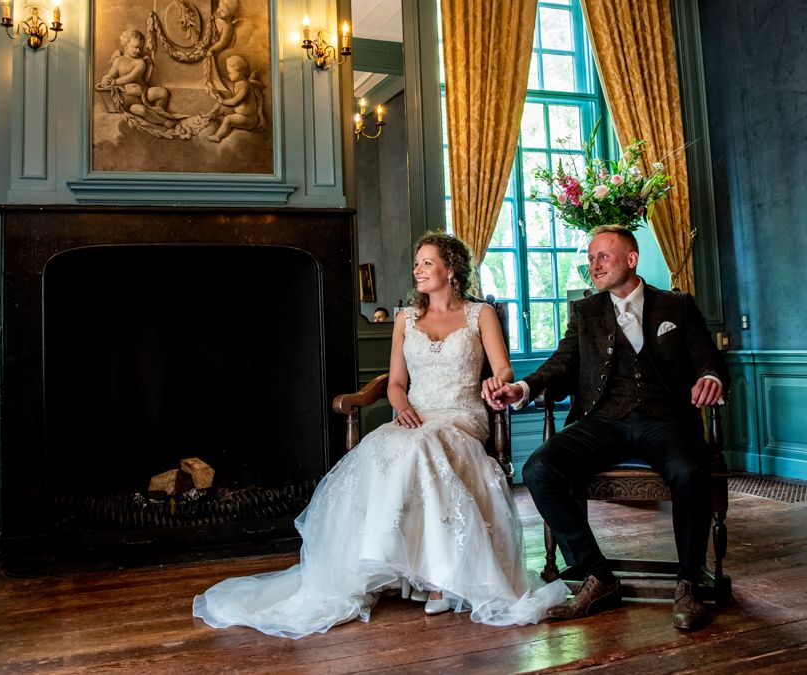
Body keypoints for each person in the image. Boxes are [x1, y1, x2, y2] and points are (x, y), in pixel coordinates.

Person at [194, 233, 567, 639]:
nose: (417, 270)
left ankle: (440, 580)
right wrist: (402, 408)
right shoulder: (406, 318)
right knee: (384, 445)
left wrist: (497, 383)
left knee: (423, 446)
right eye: (417, 263)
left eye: (427, 263)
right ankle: (387, 564)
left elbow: (503, 368)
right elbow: (395, 383)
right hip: (415, 415)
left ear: (451, 269)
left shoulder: (481, 314)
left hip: (461, 415)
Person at [484, 225, 728, 631]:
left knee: (689, 469)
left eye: (603, 257)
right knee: (539, 469)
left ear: (631, 260)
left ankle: (688, 581)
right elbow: (561, 364)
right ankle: (597, 575)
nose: (593, 265)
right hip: (603, 420)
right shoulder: (585, 311)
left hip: (665, 421)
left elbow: (709, 360)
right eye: (590, 258)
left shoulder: (677, 306)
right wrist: (523, 388)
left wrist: (710, 378)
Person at [205, 54, 265, 142]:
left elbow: (235, 102)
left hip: (248, 119)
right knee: (220, 108)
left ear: (241, 72)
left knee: (228, 119)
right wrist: (216, 77)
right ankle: (211, 119)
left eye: (230, 73)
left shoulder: (244, 86)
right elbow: (227, 83)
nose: (229, 75)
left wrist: (223, 101)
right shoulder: (237, 82)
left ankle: (217, 136)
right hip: (241, 114)